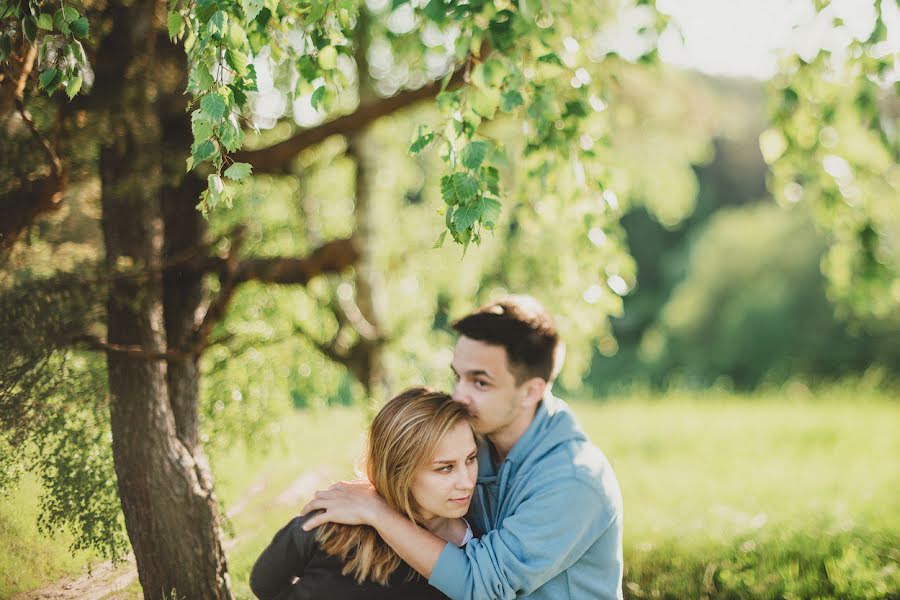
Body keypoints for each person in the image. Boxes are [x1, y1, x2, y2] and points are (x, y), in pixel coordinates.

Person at [300, 295, 624, 599]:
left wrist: (376, 511)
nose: (459, 396)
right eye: (458, 377)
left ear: (530, 392)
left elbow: (481, 585)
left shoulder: (575, 480)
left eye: (480, 382)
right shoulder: (472, 437)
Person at [250, 388, 477, 600]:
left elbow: (264, 583)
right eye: (445, 468)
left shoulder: (479, 556)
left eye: (471, 459)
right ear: (399, 471)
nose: (467, 482)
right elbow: (264, 582)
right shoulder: (332, 521)